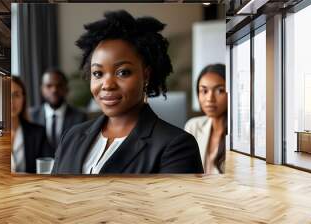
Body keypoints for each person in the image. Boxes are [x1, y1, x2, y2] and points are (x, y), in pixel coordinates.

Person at [52, 10, 203, 174]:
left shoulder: (176, 146)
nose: (107, 85)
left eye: (123, 72)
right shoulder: (72, 136)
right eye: (98, 73)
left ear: (146, 75)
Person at [30, 69, 88, 152]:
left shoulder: (80, 117)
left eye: (59, 85)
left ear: (66, 89)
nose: (54, 90)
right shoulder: (31, 116)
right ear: (42, 89)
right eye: (49, 86)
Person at [184, 64, 227, 174]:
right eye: (204, 91)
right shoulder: (193, 126)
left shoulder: (240, 137)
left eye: (220, 90)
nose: (210, 99)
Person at [11, 76, 54, 173]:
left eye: (16, 95)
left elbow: (48, 167)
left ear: (23, 98)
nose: (11, 101)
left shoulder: (38, 133)